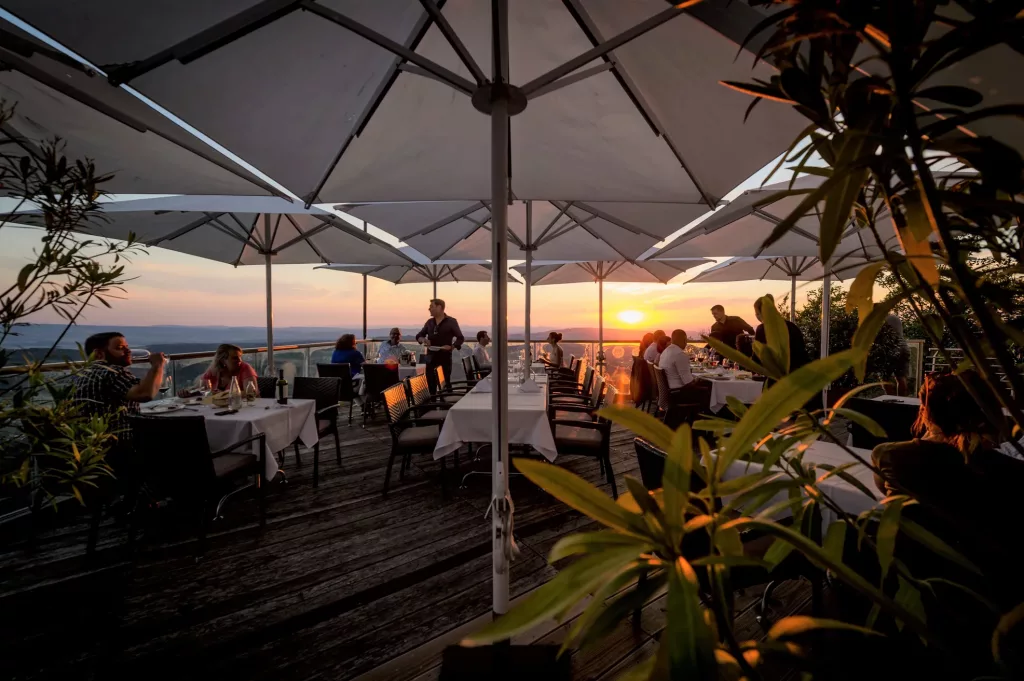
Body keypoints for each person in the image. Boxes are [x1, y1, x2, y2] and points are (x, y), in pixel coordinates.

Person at [871, 371, 1024, 605]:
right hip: (994, 594)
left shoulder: (891, 456)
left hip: (914, 579)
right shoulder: (1011, 471)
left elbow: (888, 490)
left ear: (927, 412)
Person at [69, 332, 166, 450]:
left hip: (88, 445)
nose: (128, 351)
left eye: (127, 347)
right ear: (99, 354)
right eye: (120, 348)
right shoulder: (112, 372)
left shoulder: (79, 374)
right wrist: (158, 365)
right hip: (119, 443)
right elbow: (145, 394)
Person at [416, 298, 465, 393]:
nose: (429, 309)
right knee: (430, 383)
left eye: (431, 307)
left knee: (445, 384)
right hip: (430, 358)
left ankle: (446, 404)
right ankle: (433, 404)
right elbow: (419, 336)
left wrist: (452, 347)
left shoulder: (451, 322)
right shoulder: (429, 322)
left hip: (444, 357)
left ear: (439, 307)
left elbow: (460, 338)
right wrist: (424, 339)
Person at [752, 295, 811, 372]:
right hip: (797, 373)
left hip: (776, 376)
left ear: (762, 312)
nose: (757, 317)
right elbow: (802, 354)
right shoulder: (792, 326)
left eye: (757, 314)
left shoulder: (762, 329)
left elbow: (757, 357)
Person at [884, 313, 910, 396]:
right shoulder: (895, 317)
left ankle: (889, 402)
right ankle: (902, 402)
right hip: (904, 348)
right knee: (901, 377)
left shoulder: (881, 320)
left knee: (884, 378)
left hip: (891, 349)